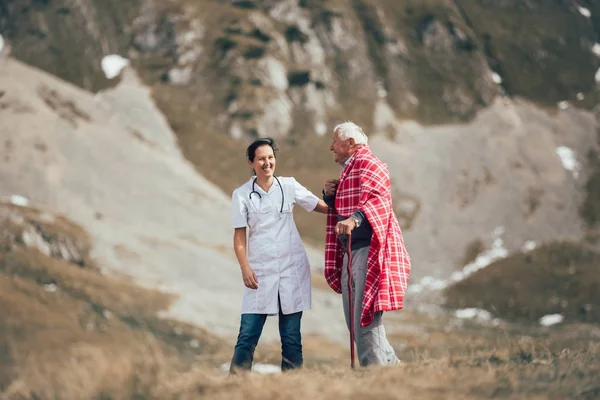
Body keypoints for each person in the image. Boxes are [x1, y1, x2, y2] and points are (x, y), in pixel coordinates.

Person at [229, 137, 329, 373]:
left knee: (292, 337)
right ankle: (235, 385)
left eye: (270, 157)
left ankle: (292, 387)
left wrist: (340, 205)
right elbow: (239, 236)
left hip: (291, 269)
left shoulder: (289, 185)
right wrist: (245, 267)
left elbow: (319, 205)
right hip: (260, 271)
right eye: (261, 159)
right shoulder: (242, 194)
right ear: (251, 163)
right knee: (248, 334)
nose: (267, 163)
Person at [322, 121, 411, 367]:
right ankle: (393, 366)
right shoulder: (351, 169)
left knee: (363, 317)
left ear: (351, 143)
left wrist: (354, 219)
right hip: (352, 250)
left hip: (366, 250)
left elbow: (378, 199)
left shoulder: (370, 164)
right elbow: (353, 201)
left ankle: (373, 373)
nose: (331, 147)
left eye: (335, 142)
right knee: (356, 318)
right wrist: (330, 196)